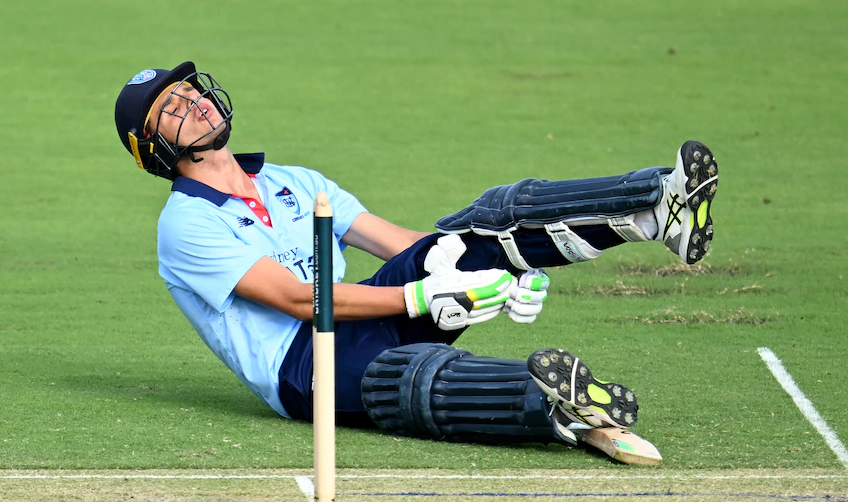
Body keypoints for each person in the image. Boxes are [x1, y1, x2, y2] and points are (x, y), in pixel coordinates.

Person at [114, 61, 718, 448]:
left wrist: (499, 273)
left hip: (367, 312)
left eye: (190, 91)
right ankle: (554, 405)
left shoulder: (292, 180)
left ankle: (653, 208)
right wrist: (419, 296)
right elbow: (300, 300)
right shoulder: (185, 225)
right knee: (405, 379)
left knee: (474, 229)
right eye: (170, 108)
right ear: (154, 149)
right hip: (302, 367)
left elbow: (407, 246)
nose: (192, 103)